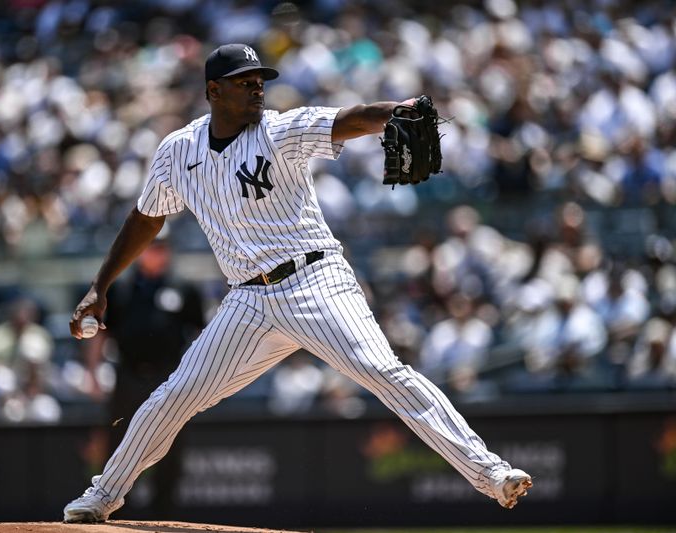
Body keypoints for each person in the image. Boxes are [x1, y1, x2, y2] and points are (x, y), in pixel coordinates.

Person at [63, 43, 532, 523]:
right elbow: (145, 218)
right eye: (245, 82)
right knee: (175, 395)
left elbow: (349, 118)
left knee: (384, 373)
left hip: (314, 281)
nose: (257, 88)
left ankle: (491, 474)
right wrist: (100, 286)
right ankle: (104, 495)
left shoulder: (279, 131)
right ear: (213, 91)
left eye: (260, 80)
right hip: (247, 299)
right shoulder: (178, 152)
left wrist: (397, 112)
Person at [81, 229, 204, 517]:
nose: (156, 252)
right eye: (151, 246)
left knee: (170, 443)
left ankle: (165, 514)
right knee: (119, 443)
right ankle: (115, 511)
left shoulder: (184, 289)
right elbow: (102, 335)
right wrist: (92, 372)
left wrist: (198, 376)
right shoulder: (120, 289)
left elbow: (202, 334)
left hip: (170, 378)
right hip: (128, 376)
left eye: (161, 247)